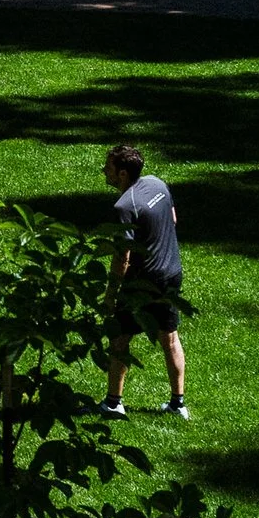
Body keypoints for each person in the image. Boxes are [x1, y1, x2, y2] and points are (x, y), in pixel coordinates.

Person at [99, 143, 190, 419]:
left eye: (109, 167)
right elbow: (173, 218)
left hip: (142, 283)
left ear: (122, 174)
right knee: (170, 338)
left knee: (119, 339)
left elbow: (122, 257)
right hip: (171, 273)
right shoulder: (157, 183)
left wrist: (111, 294)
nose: (104, 171)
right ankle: (178, 404)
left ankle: (113, 403)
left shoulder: (124, 206)